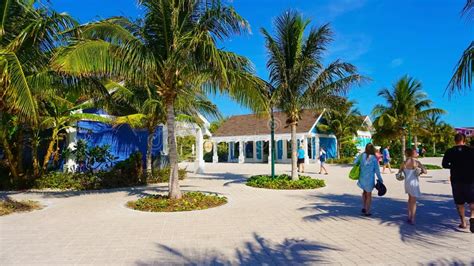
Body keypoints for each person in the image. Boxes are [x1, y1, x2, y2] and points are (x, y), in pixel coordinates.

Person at [442, 133, 474, 232]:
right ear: (465, 140)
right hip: (470, 179)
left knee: (459, 202)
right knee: (472, 200)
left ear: (455, 141)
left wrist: (454, 166)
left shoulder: (450, 151)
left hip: (456, 180)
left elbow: (444, 164)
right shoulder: (471, 151)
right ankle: (472, 217)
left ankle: (463, 223)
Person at [398, 148, 427, 225]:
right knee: (413, 201)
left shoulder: (403, 163)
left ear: (406, 154)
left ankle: (409, 216)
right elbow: (425, 171)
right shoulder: (416, 162)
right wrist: (420, 172)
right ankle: (412, 218)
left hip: (407, 183)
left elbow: (399, 173)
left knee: (409, 199)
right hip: (414, 183)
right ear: (412, 154)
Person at [355, 143, 384, 216]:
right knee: (369, 194)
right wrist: (380, 179)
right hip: (370, 178)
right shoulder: (374, 158)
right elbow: (377, 170)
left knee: (364, 192)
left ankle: (364, 207)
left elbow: (355, 162)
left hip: (362, 177)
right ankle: (367, 211)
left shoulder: (361, 155)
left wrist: (361, 164)